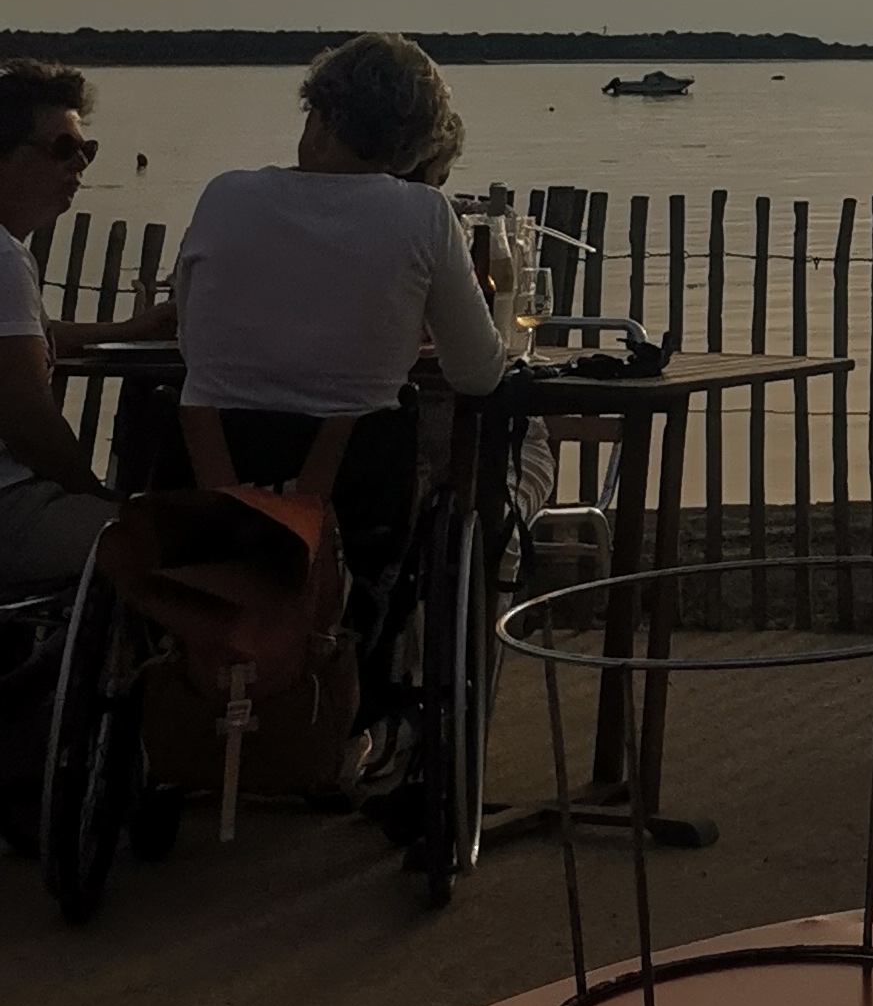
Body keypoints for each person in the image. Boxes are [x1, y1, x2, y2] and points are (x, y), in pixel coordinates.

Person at [160, 34, 515, 596]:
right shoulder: (423, 216)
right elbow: (478, 374)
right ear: (414, 148)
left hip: (207, 513)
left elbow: (192, 338)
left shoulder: (223, 196)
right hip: (352, 522)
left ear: (321, 118)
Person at [0, 59, 168, 594]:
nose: (80, 164)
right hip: (9, 511)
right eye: (62, 148)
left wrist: (134, 329)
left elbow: (31, 338)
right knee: (178, 544)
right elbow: (29, 423)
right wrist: (97, 495)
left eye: (86, 150)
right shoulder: (4, 259)